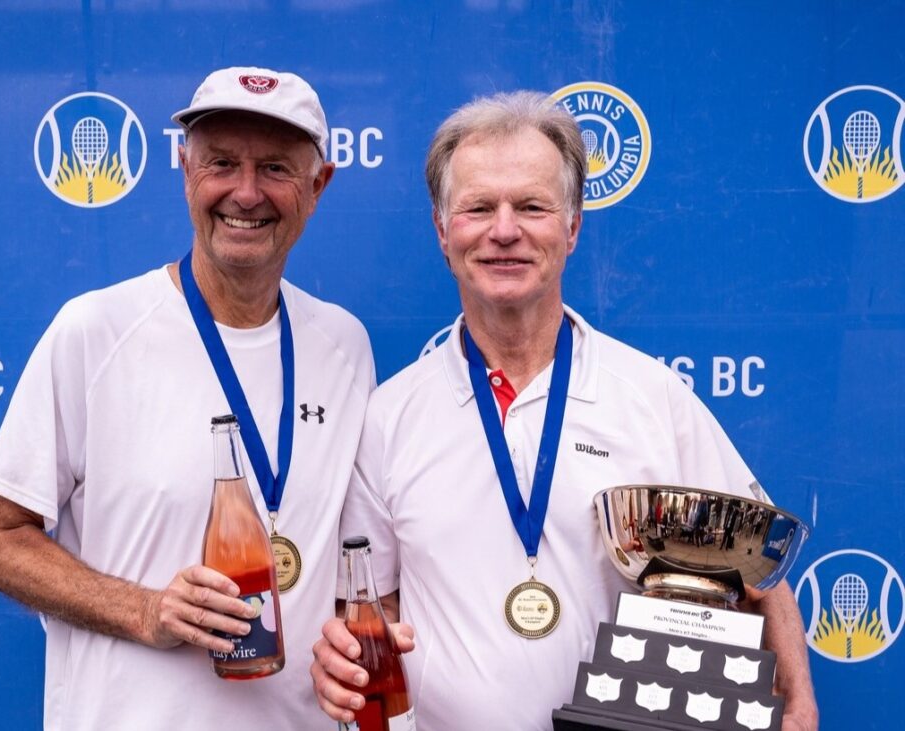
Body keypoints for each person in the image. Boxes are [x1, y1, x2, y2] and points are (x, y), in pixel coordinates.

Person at [310, 91, 819, 731]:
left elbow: (759, 571)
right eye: (477, 208)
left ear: (572, 227)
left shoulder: (652, 396)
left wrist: (799, 702)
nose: (504, 230)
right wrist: (345, 661)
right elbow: (372, 608)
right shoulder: (389, 417)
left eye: (531, 206)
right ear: (443, 231)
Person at [0, 66, 374, 730]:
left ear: (318, 185)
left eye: (274, 167)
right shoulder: (95, 332)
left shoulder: (345, 344)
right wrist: (144, 609)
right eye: (221, 164)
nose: (246, 192)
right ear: (185, 169)